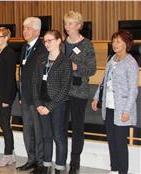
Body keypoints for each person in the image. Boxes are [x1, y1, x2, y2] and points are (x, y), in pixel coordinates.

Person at [91, 30, 138, 174]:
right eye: (113, 41)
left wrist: (126, 111)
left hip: (122, 109)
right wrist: (96, 97)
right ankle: (114, 168)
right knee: (111, 141)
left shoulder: (130, 62)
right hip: (109, 106)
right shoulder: (111, 59)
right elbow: (104, 81)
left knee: (120, 143)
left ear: (126, 44)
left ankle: (123, 171)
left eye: (118, 41)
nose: (114, 44)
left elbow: (133, 90)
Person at [32, 30, 72, 174]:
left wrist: (50, 107)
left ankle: (60, 168)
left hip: (58, 104)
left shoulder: (65, 61)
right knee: (46, 136)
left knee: (59, 136)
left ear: (58, 41)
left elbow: (64, 89)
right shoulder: (41, 59)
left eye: (50, 40)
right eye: (45, 41)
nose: (47, 44)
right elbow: (35, 83)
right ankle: (46, 166)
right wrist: (38, 104)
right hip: (41, 103)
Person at [63, 11, 97, 174]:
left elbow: (91, 69)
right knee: (60, 127)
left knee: (77, 128)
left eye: (70, 23)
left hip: (78, 92)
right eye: (65, 23)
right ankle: (60, 160)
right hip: (62, 92)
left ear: (79, 25)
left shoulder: (87, 45)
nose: (66, 27)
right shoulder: (62, 44)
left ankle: (75, 163)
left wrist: (76, 68)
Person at [16, 17, 48, 174]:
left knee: (39, 131)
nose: (24, 31)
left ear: (37, 31)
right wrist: (21, 94)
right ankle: (31, 159)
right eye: (23, 28)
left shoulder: (43, 48)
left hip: (37, 99)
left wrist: (41, 100)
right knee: (28, 130)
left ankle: (41, 164)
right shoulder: (24, 47)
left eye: (27, 28)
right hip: (26, 96)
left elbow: (44, 76)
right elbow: (22, 72)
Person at [0, 27, 18, 167]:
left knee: (5, 125)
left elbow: (9, 78)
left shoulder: (9, 53)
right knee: (3, 124)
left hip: (4, 96)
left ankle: (7, 155)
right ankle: (10, 154)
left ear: (6, 38)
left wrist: (6, 99)